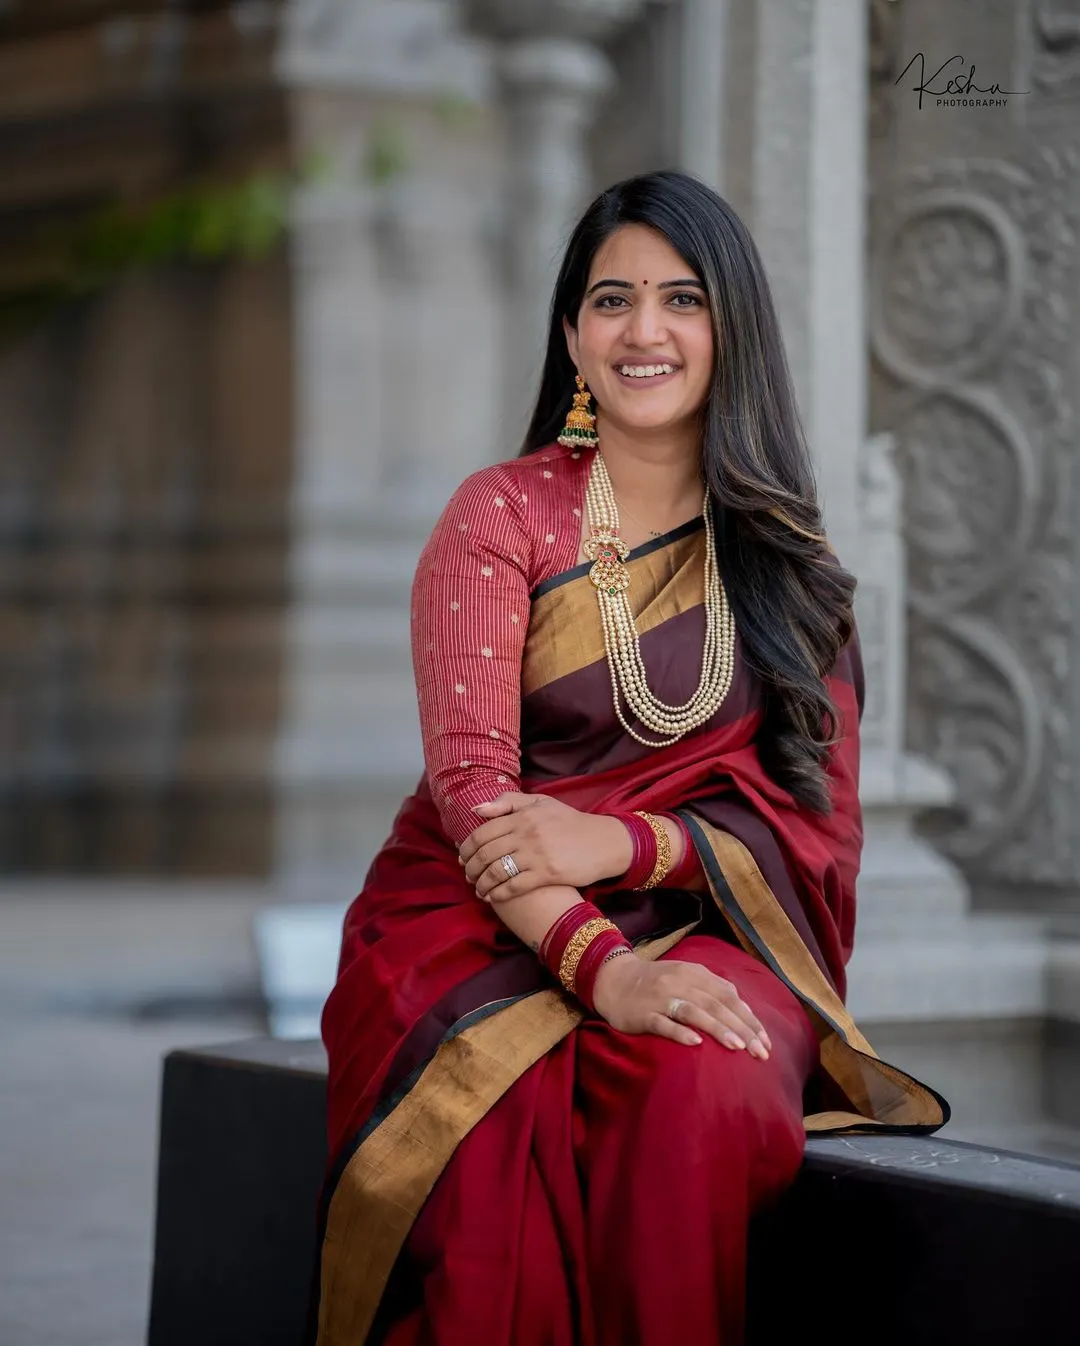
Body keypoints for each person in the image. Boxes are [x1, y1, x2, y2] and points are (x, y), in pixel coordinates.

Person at [313, 169, 950, 1346]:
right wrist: (603, 968)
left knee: (701, 1087)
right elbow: (475, 797)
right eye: (612, 300)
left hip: (706, 916)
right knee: (489, 1131)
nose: (643, 331)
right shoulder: (499, 516)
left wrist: (628, 839)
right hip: (470, 920)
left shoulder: (785, 564)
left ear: (730, 330)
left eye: (682, 299)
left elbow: (815, 824)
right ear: (570, 334)